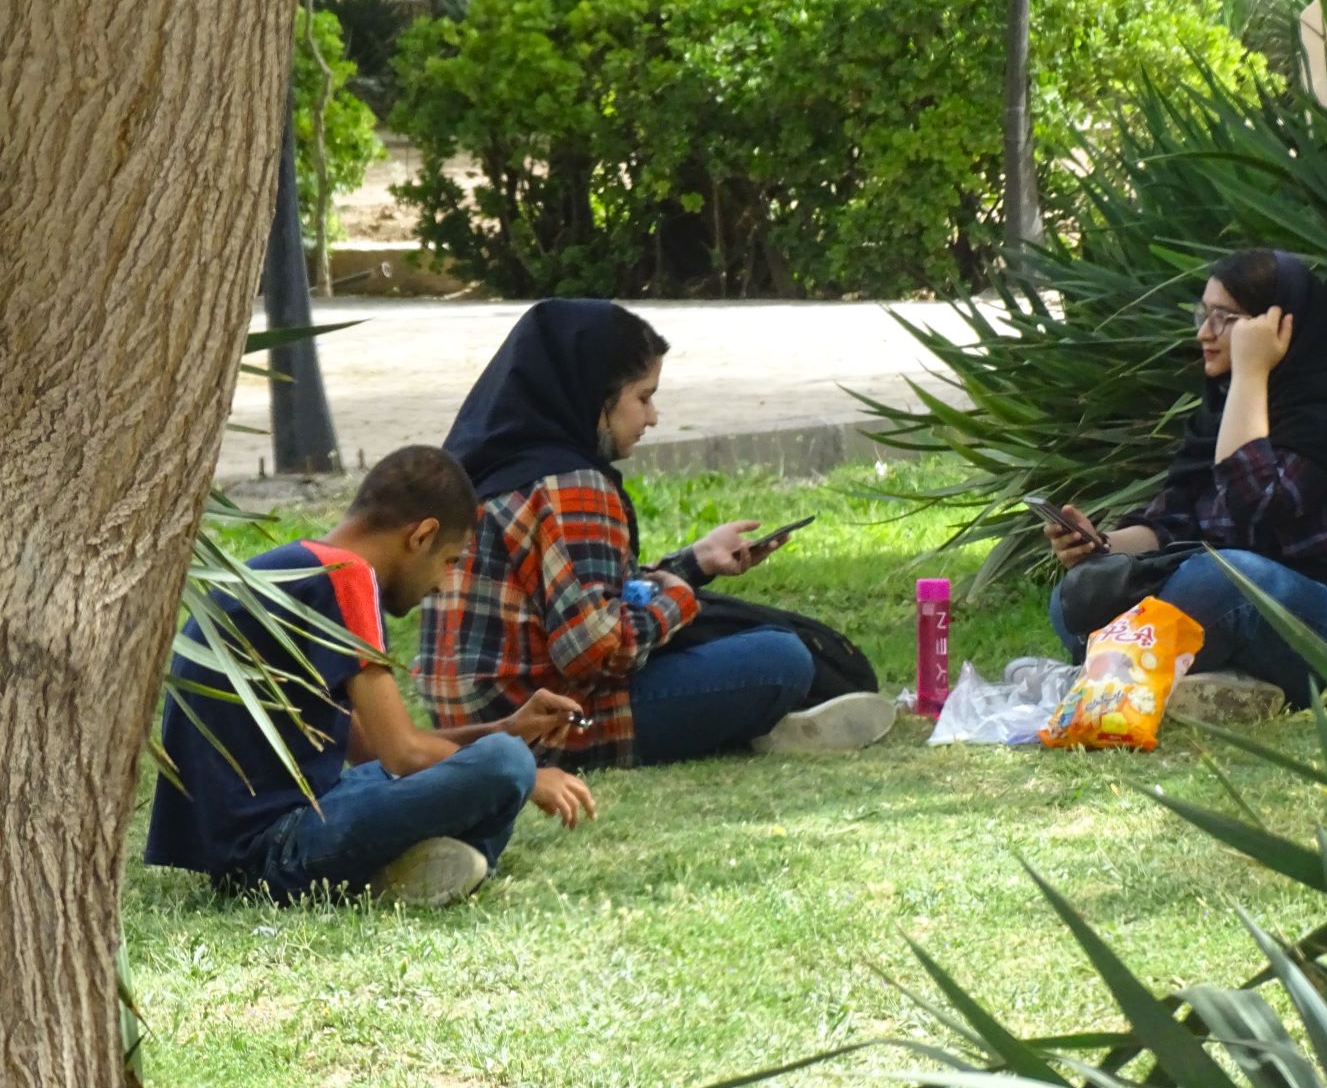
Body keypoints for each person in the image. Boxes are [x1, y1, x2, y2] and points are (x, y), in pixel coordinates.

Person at [415, 299, 895, 768]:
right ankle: (765, 720)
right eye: (642, 397)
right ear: (595, 397)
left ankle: (760, 718)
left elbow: (576, 602)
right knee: (780, 657)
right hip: (546, 726)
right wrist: (680, 595)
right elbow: (594, 651)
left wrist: (692, 563)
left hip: (468, 718)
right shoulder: (573, 486)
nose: (652, 417)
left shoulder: (492, 465)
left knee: (734, 644)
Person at [144, 446, 597, 907]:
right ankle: (406, 872)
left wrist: (503, 729)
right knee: (504, 763)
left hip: (251, 848)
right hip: (275, 850)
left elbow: (365, 753)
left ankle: (400, 873)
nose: (442, 585)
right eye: (449, 561)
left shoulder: (288, 567)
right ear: (422, 535)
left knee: (495, 753)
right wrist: (526, 771)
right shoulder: (348, 577)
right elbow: (403, 753)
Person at [1043, 249, 1327, 704]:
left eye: (1224, 318)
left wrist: (1252, 370)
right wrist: (1101, 546)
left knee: (1223, 581)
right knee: (1080, 594)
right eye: (1203, 313)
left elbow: (1250, 508)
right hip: (1267, 614)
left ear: (1277, 326)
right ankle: (1174, 666)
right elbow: (1173, 522)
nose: (1204, 333)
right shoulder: (1224, 411)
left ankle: (1131, 662)